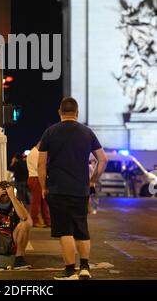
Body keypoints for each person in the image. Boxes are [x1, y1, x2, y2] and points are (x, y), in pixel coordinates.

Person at [38, 97, 108, 280]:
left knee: (65, 231)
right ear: (77, 113)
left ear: (59, 112)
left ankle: (70, 271)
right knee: (81, 229)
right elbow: (103, 159)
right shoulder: (87, 132)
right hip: (80, 190)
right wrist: (92, 180)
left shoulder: (50, 132)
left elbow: (41, 164)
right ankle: (85, 268)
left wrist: (44, 186)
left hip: (57, 189)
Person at [27, 142, 51, 228]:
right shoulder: (34, 153)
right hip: (35, 178)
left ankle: (47, 220)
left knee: (43, 201)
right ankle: (34, 220)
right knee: (37, 201)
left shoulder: (35, 152)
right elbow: (39, 167)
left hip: (37, 178)